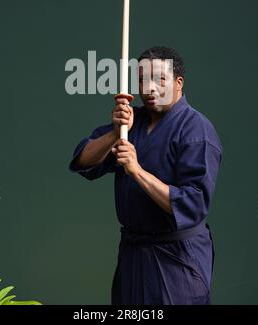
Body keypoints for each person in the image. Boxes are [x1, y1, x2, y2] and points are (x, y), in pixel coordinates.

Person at [69, 46, 222, 305]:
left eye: (159, 80)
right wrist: (115, 133)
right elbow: (83, 160)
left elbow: (192, 205)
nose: (149, 88)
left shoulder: (197, 130)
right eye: (142, 80)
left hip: (177, 259)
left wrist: (137, 171)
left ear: (178, 82)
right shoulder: (133, 121)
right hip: (133, 256)